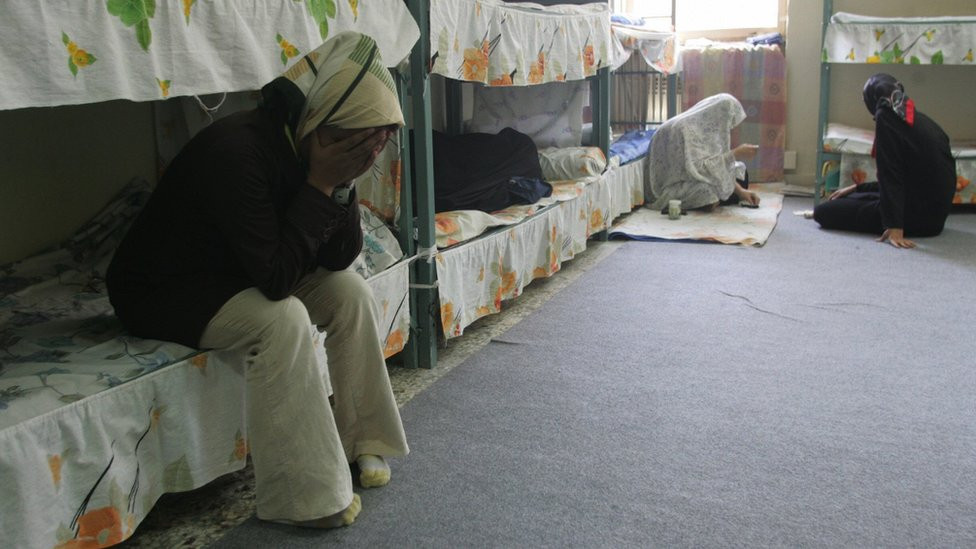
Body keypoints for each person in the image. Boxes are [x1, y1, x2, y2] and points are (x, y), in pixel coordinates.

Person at [106, 32, 409, 528]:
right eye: (356, 141)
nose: (367, 152)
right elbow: (275, 281)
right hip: (166, 288)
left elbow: (338, 257)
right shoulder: (237, 151)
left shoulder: (308, 147)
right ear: (318, 123)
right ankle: (305, 498)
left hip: (240, 268)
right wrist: (320, 183)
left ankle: (364, 441)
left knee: (351, 291)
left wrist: (342, 184)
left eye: (375, 142)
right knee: (282, 319)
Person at [813, 73, 956, 249]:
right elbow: (910, 177)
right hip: (933, 215)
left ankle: (894, 221)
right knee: (851, 196)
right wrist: (857, 187)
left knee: (823, 212)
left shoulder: (886, 118)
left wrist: (895, 226)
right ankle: (862, 196)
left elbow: (891, 173)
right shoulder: (917, 118)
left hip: (918, 218)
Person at [644, 93, 760, 213]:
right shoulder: (685, 129)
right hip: (670, 186)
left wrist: (742, 192)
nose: (728, 126)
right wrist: (735, 154)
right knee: (709, 193)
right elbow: (699, 170)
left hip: (692, 176)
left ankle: (726, 197)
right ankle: (717, 200)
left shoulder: (707, 128)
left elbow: (711, 169)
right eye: (728, 120)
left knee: (741, 172)